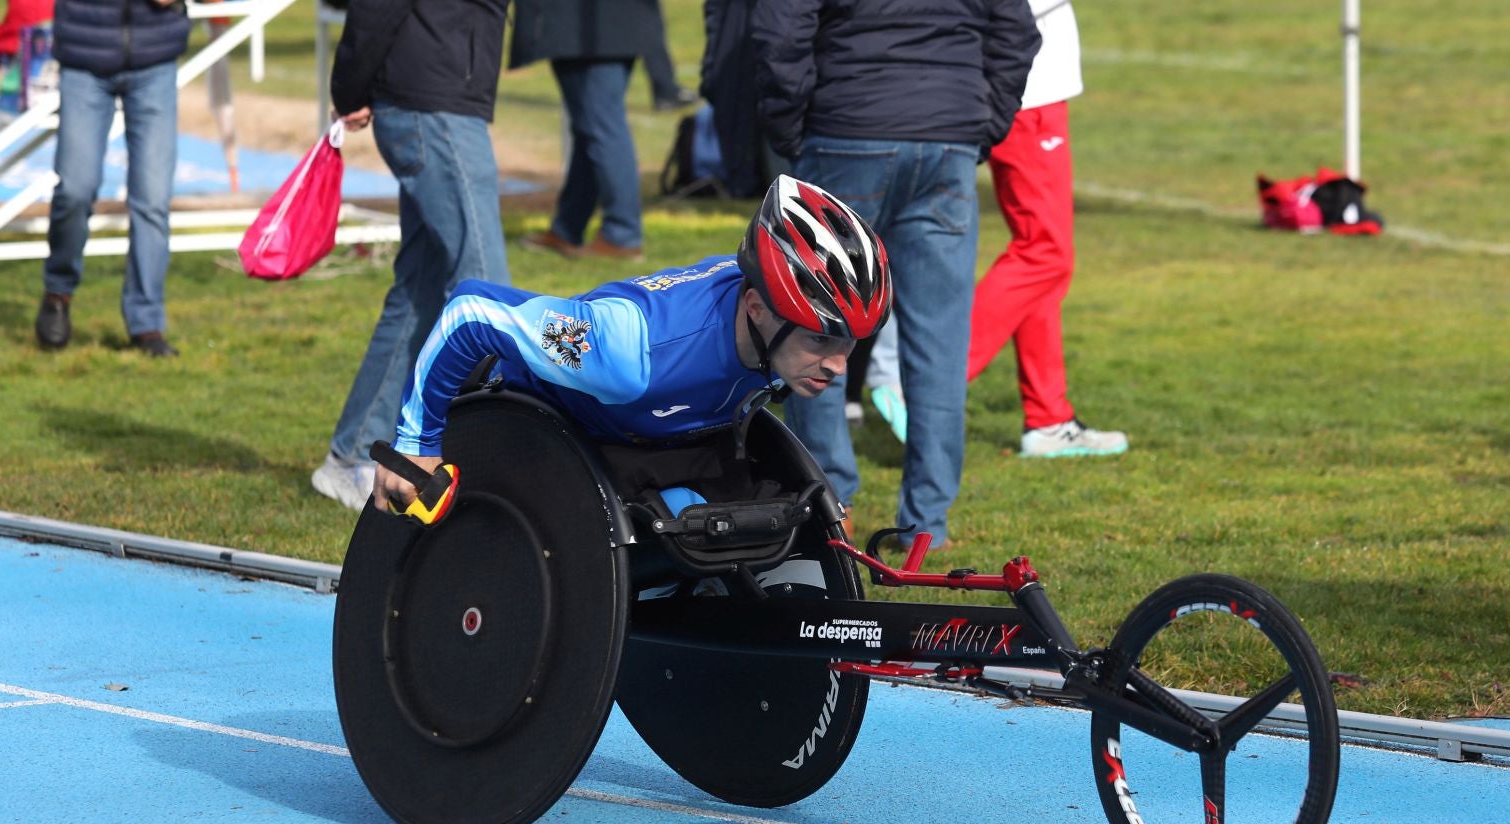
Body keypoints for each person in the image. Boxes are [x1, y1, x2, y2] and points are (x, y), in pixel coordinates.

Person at [374, 176, 891, 522]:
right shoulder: (623, 351)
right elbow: (470, 314)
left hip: (645, 444)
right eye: (821, 338)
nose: (839, 366)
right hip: (534, 444)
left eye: (849, 344)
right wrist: (415, 443)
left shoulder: (772, 328)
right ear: (757, 308)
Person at [750, 0, 1039, 546]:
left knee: (815, 324)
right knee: (940, 340)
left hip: (848, 129)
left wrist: (791, 129)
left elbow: (778, 30)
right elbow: (1018, 33)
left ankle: (831, 502)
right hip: (944, 138)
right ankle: (926, 524)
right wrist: (977, 123)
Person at [866, 1, 1126, 459]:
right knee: (1046, 253)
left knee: (1039, 255)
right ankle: (925, 381)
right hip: (1026, 84)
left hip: (1017, 80)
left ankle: (1049, 417)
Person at [309, 0, 511, 511]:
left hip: (437, 99)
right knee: (487, 292)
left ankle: (350, 457)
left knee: (421, 293)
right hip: (433, 106)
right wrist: (351, 86)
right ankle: (505, 465)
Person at [34, 0, 191, 358]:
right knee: (75, 187)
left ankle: (146, 323)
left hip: (155, 55)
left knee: (152, 198)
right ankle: (57, 292)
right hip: (84, 54)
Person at [514, 0, 651, 262]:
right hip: (612, 24)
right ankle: (568, 226)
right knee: (590, 127)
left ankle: (621, 234)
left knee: (602, 128)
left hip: (586, 29)